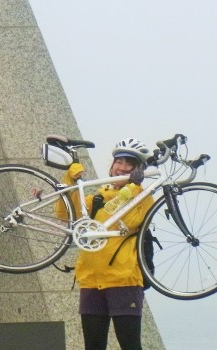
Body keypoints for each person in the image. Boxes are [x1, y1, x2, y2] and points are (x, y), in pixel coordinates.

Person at [58, 138, 155, 350]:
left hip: (123, 280)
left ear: (140, 170)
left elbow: (130, 221)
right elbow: (66, 214)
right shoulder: (97, 199)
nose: (123, 167)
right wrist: (70, 180)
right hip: (91, 281)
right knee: (93, 346)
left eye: (130, 164)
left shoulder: (144, 197)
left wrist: (135, 188)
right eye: (119, 162)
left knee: (130, 345)